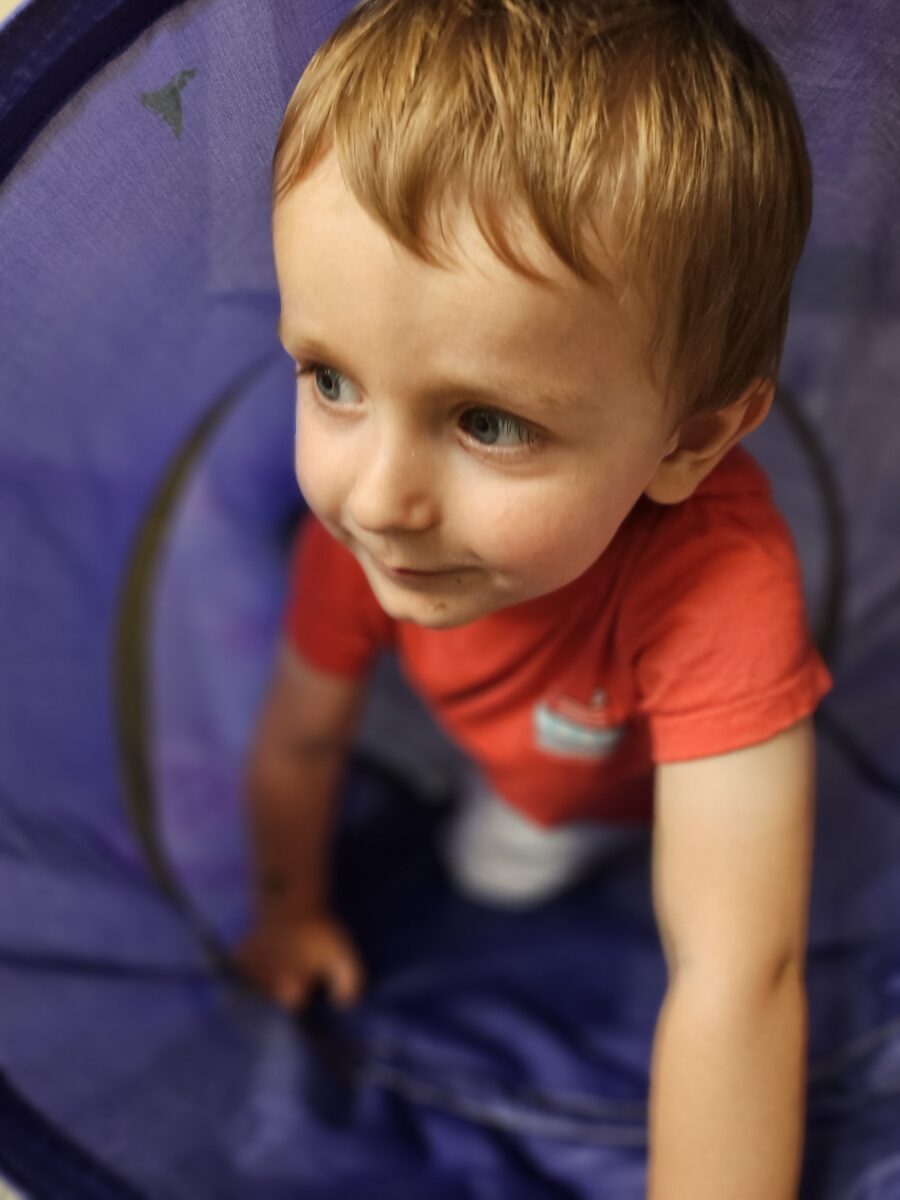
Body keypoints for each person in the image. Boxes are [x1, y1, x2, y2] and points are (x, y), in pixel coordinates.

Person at [235, 1, 832, 1195]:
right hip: (517, 768)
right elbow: (299, 739)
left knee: (694, 885)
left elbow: (743, 973)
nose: (379, 498)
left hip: (655, 774)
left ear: (690, 441)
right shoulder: (359, 538)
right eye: (331, 380)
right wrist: (287, 911)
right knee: (504, 861)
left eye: (488, 422)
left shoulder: (721, 588)